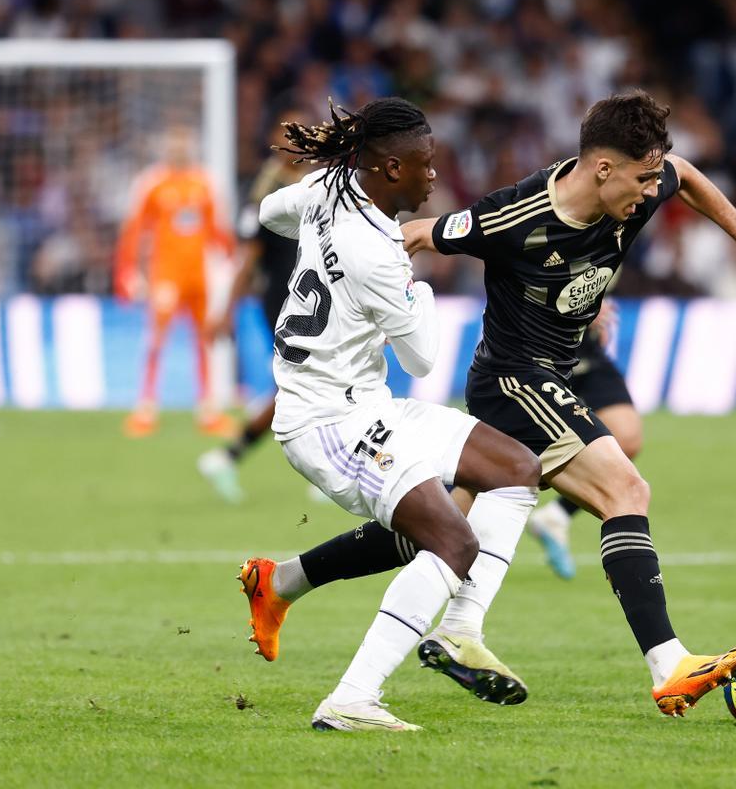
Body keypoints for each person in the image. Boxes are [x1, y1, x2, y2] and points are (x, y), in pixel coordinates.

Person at [397, 89, 736, 717]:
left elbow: (688, 176)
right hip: (513, 380)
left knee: (434, 526)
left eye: (653, 177)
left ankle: (286, 580)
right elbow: (420, 233)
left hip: (557, 374)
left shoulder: (642, 182)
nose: (650, 193)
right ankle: (670, 664)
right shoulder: (511, 218)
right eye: (641, 180)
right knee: (626, 490)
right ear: (602, 168)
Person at [238, 97, 540, 732]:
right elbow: (425, 357)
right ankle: (352, 699)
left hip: (365, 404)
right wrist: (418, 282)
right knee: (453, 538)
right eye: (427, 167)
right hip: (330, 427)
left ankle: (446, 626)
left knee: (515, 468)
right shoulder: (379, 251)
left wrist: (322, 244)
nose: (435, 177)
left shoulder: (331, 186)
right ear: (393, 168)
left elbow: (269, 212)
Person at [197, 111, 312, 503]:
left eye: (301, 133)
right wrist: (225, 309)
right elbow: (248, 258)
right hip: (285, 303)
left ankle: (228, 456)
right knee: (305, 383)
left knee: (304, 385)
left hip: (313, 300)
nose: (296, 140)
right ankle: (229, 455)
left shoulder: (314, 183)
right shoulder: (266, 191)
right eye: (287, 133)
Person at [115, 124, 236, 437]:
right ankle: (145, 407)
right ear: (165, 147)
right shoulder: (151, 182)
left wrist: (229, 266)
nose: (178, 148)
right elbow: (134, 229)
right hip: (166, 275)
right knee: (156, 339)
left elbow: (219, 231)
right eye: (173, 143)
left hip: (200, 275)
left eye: (184, 142)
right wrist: (128, 271)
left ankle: (208, 410)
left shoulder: (205, 182)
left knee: (203, 340)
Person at [525, 298, 641, 580]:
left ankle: (556, 516)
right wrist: (577, 300)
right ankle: (450, 543)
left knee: (627, 437)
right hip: (532, 356)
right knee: (508, 465)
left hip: (585, 351)